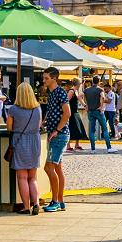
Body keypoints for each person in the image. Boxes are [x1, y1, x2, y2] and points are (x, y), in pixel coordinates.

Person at [7, 82, 43, 215]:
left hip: (20, 141)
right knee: (32, 177)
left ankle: (26, 207)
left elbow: (9, 128)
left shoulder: (13, 109)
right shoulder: (37, 108)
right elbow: (38, 125)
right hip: (34, 141)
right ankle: (37, 204)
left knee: (22, 177)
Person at [42, 67, 70, 212]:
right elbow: (52, 111)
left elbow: (67, 113)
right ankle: (60, 200)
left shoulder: (60, 92)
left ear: (54, 78)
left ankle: (55, 201)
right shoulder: (52, 93)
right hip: (56, 133)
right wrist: (44, 122)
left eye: (46, 78)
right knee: (58, 168)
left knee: (49, 167)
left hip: (59, 134)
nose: (44, 80)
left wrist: (57, 130)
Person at [83, 76, 115, 153]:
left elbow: (80, 96)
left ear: (92, 81)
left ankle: (93, 149)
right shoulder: (100, 89)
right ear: (99, 81)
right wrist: (101, 106)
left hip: (90, 111)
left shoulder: (86, 90)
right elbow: (103, 97)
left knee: (91, 130)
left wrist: (85, 105)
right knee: (104, 129)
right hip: (98, 111)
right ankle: (109, 147)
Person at [66, 80, 87, 152]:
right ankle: (68, 146)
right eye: (80, 84)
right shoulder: (71, 91)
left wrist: (84, 105)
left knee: (79, 128)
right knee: (70, 128)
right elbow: (66, 101)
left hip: (75, 112)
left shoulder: (76, 91)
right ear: (77, 84)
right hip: (71, 112)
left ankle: (77, 145)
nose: (81, 85)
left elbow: (79, 98)